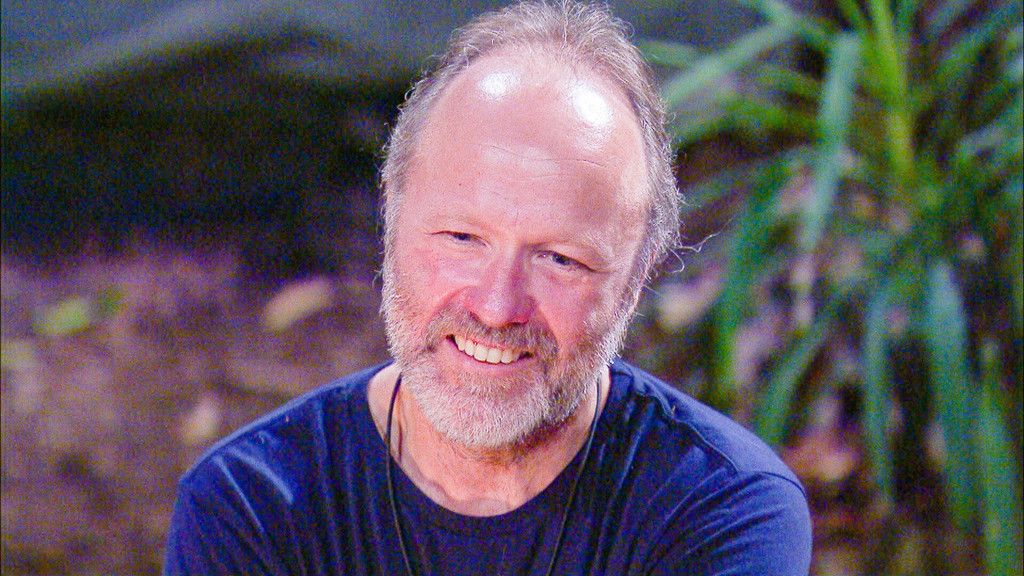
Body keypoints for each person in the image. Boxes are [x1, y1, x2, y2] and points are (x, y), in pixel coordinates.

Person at [163, 1, 813, 574]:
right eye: (462, 238)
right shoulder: (249, 508)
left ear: (637, 277)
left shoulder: (720, 510)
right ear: (391, 218)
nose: (497, 307)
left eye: (560, 260)